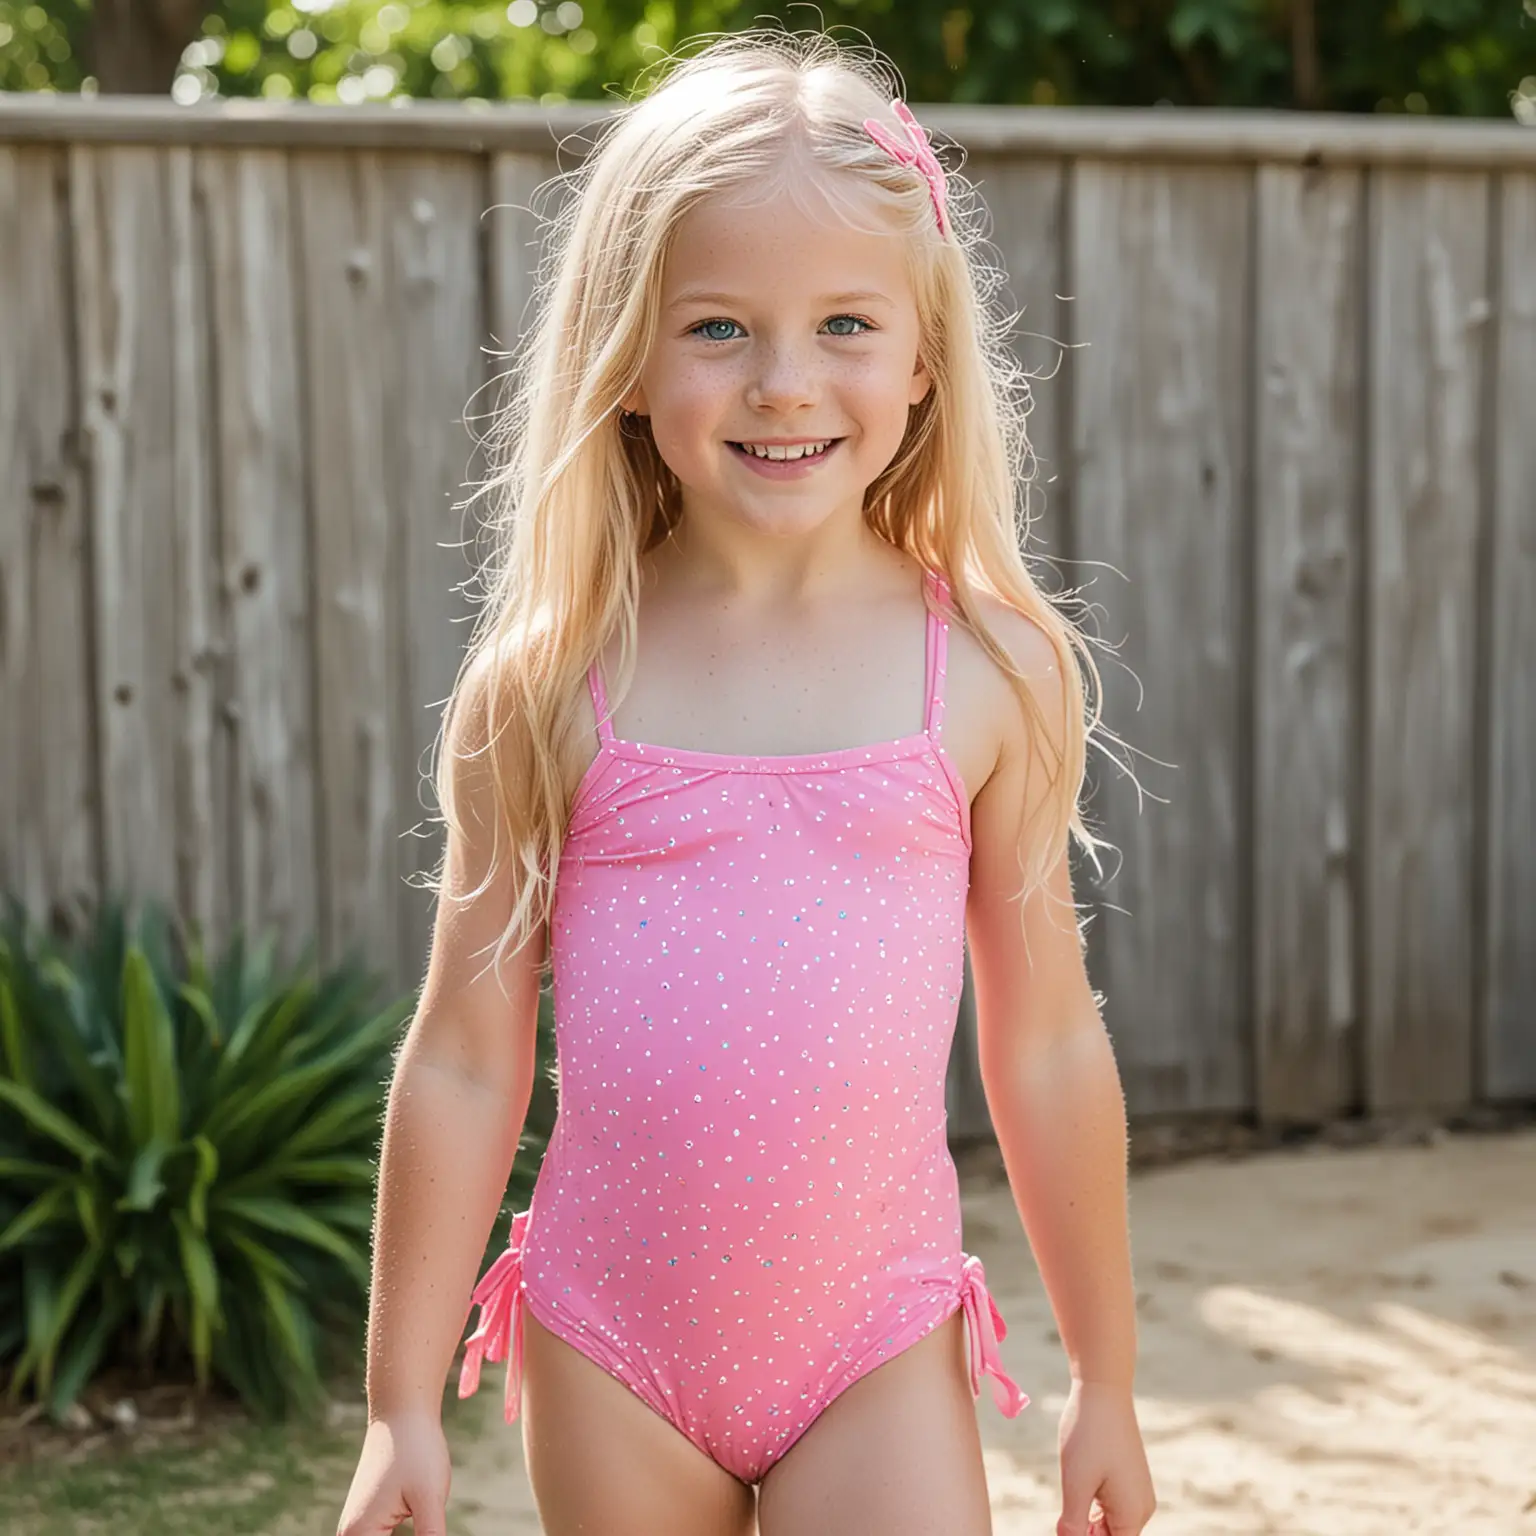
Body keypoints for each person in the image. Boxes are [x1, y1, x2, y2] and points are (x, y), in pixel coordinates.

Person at [337, 27, 1155, 1536]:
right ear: (628, 360)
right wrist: (398, 1402)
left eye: (846, 321)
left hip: (876, 1348)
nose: (786, 383)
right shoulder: (550, 681)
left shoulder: (988, 671)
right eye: (718, 328)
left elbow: (1043, 1043)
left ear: (923, 356)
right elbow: (463, 1051)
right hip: (613, 1350)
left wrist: (1108, 1376)